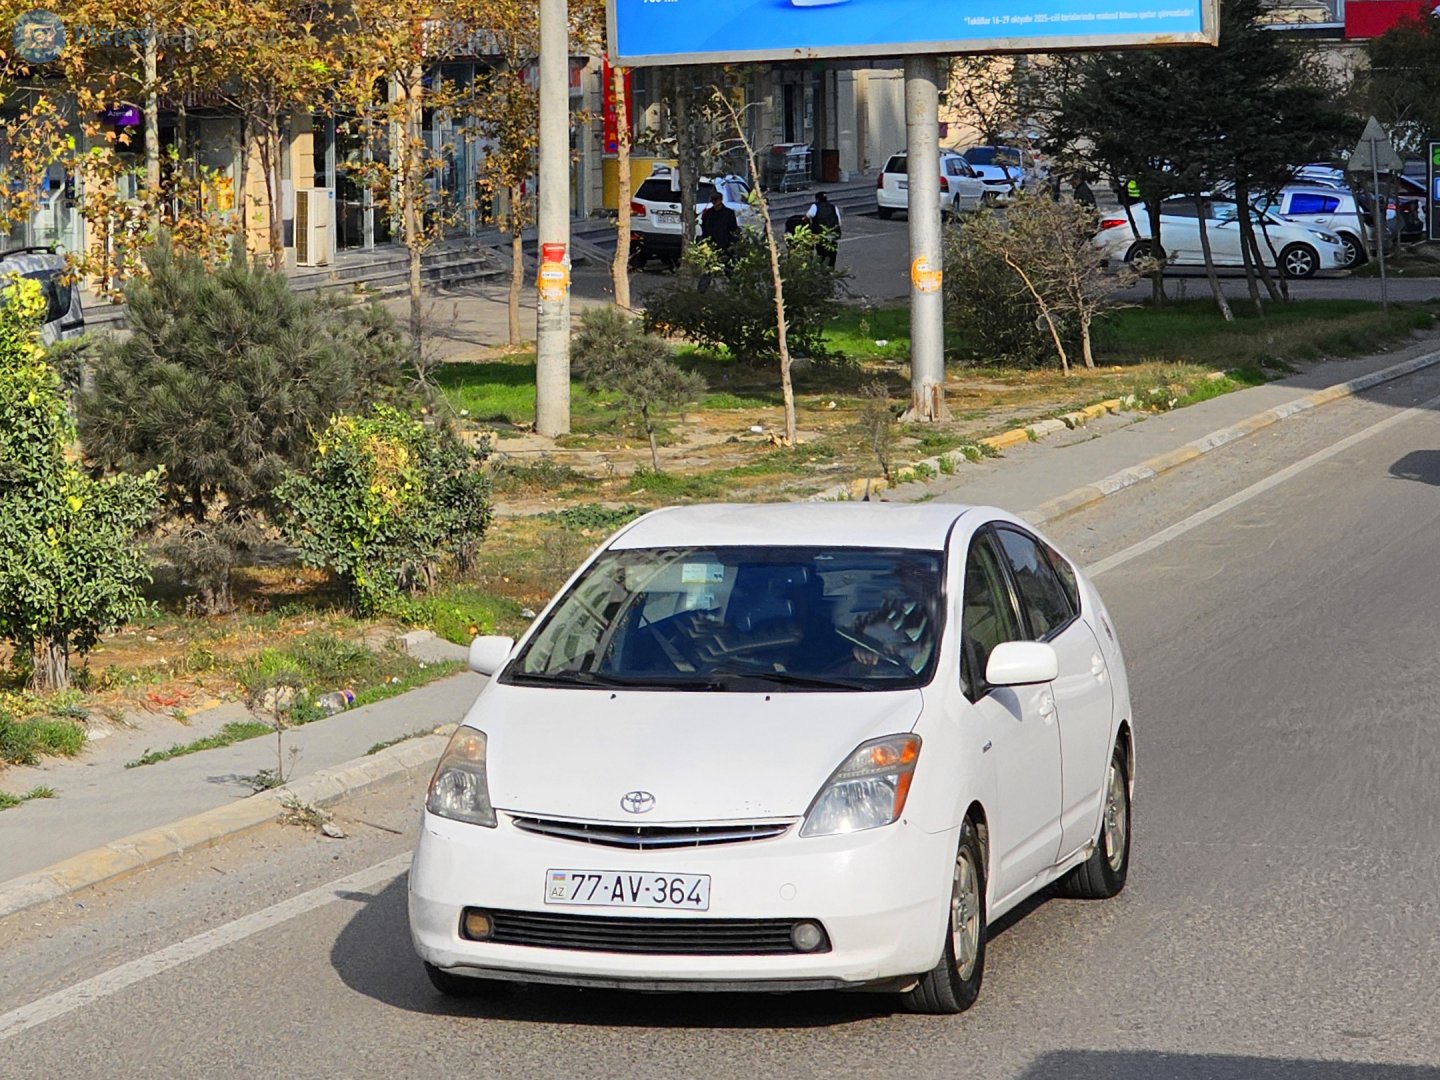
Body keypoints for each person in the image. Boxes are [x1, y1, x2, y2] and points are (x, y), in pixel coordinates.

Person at [805, 191, 842, 268]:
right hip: (832, 234)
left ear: (817, 199)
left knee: (821, 253)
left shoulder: (815, 206)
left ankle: (822, 270)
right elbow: (839, 222)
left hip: (820, 234)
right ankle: (830, 269)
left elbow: (809, 215)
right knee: (832, 255)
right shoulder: (833, 207)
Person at [699, 192, 739, 259]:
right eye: (712, 199)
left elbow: (733, 228)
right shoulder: (708, 213)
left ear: (720, 200)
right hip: (710, 245)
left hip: (724, 245)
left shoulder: (729, 213)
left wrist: (731, 244)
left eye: (716, 199)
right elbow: (704, 228)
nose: (714, 201)